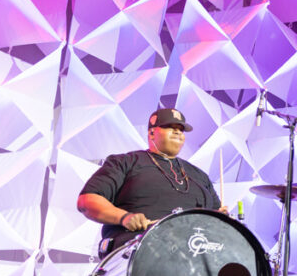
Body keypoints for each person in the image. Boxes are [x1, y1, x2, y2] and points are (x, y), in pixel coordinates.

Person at [77, 108, 226, 256]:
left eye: (181, 129)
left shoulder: (199, 175)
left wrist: (221, 218)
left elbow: (217, 218)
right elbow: (87, 201)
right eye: (170, 127)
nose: (178, 132)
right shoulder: (125, 162)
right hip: (139, 252)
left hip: (196, 255)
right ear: (152, 132)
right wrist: (124, 217)